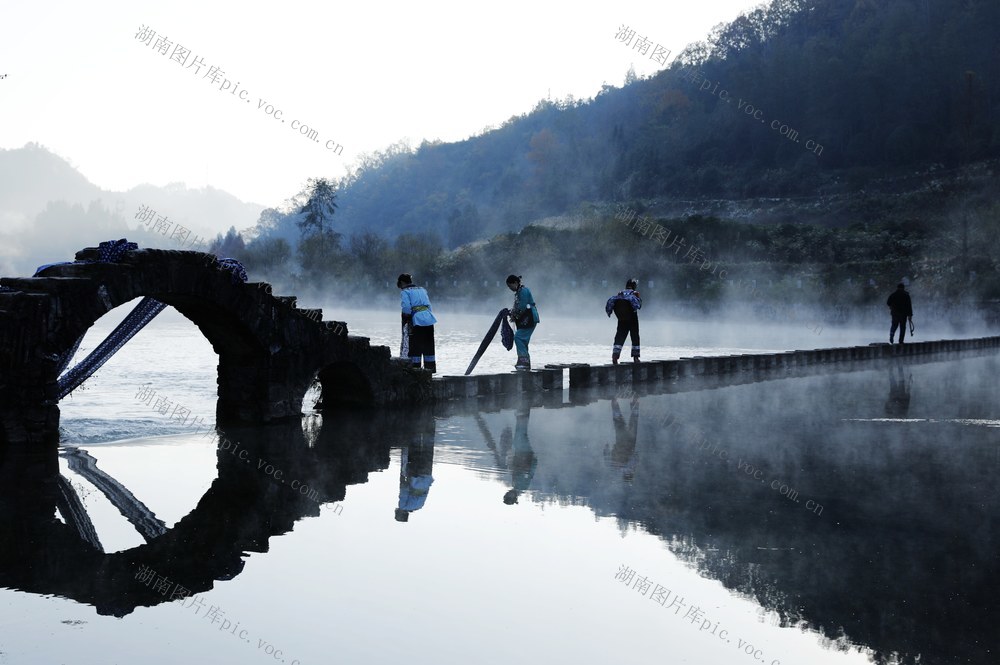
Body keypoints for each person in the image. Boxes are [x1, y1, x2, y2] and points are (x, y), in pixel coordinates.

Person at [397, 273, 437, 372]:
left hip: (417, 322)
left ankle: (415, 371)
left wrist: (407, 320)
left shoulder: (405, 292)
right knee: (428, 346)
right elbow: (429, 306)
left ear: (402, 283)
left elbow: (406, 308)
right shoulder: (422, 290)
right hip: (429, 320)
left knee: (415, 346)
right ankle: (430, 370)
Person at [506, 275, 538, 370]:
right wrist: (512, 313)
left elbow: (522, 306)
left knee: (518, 337)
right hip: (525, 319)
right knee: (523, 341)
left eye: (510, 286)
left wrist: (514, 315)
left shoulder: (523, 291)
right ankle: (524, 362)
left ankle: (524, 361)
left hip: (530, 317)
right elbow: (518, 306)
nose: (510, 288)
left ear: (515, 283)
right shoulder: (519, 292)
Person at [606, 278, 642, 364]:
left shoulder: (620, 293)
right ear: (634, 286)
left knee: (619, 336)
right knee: (635, 336)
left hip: (622, 318)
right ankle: (635, 357)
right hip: (632, 317)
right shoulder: (635, 293)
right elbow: (638, 305)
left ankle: (615, 356)